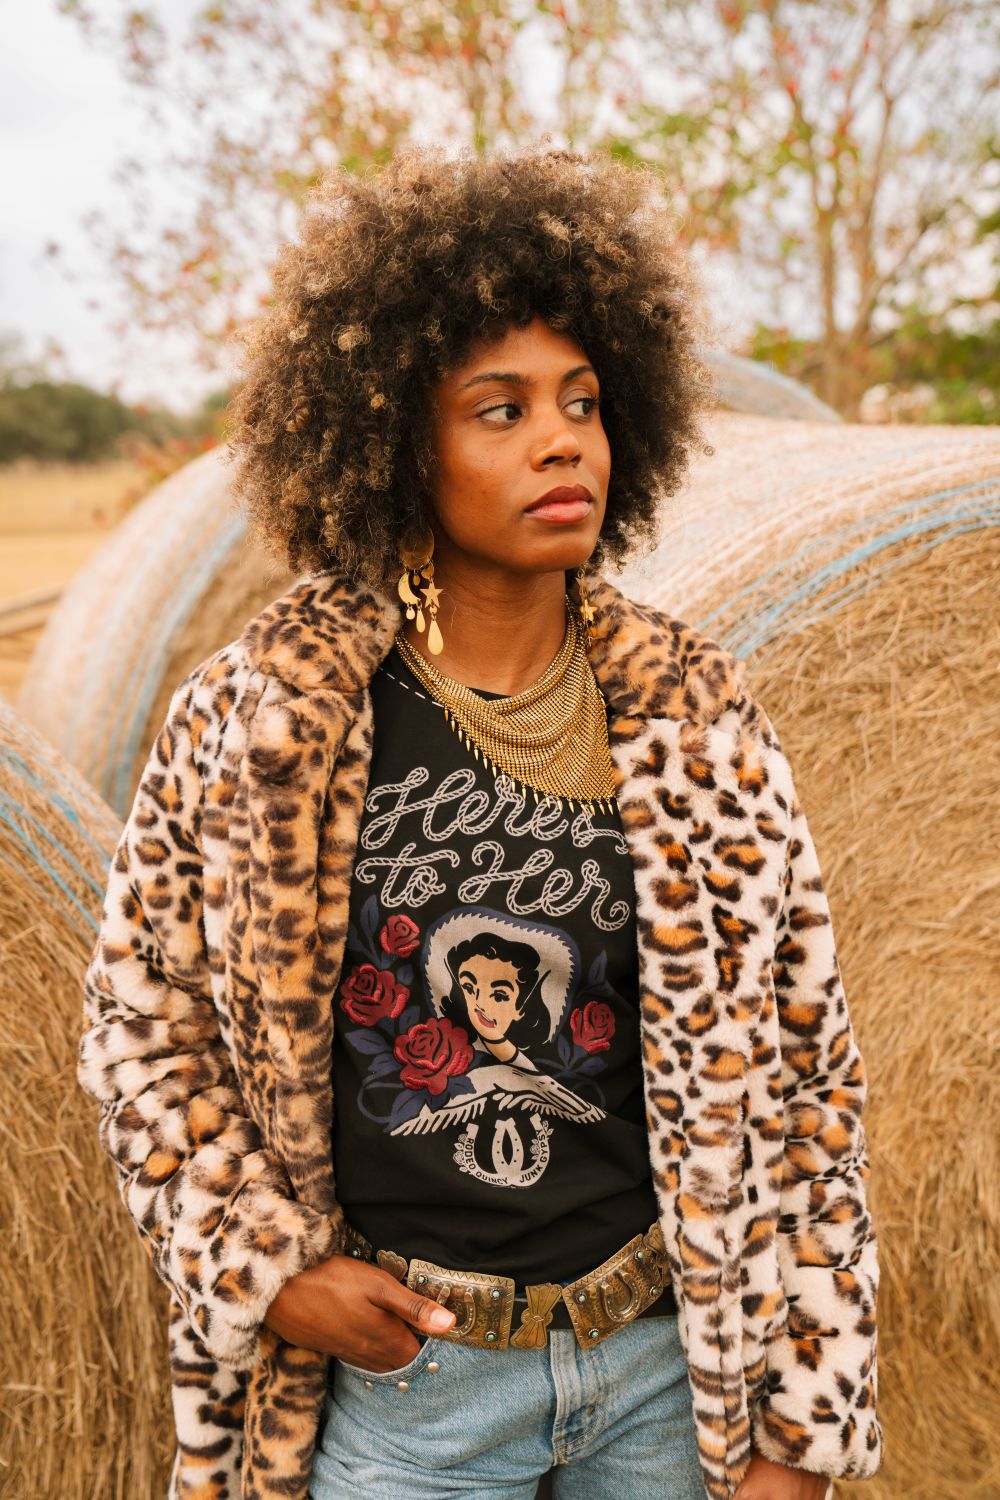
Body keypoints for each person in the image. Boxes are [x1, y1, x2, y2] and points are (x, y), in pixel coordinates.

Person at [78, 142, 880, 1500]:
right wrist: (268, 1272)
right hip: (411, 1398)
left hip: (664, 1376)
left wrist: (800, 1432)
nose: (561, 439)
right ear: (398, 441)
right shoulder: (265, 719)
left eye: (583, 402)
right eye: (498, 410)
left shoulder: (697, 718)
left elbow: (808, 1078)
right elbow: (139, 1024)